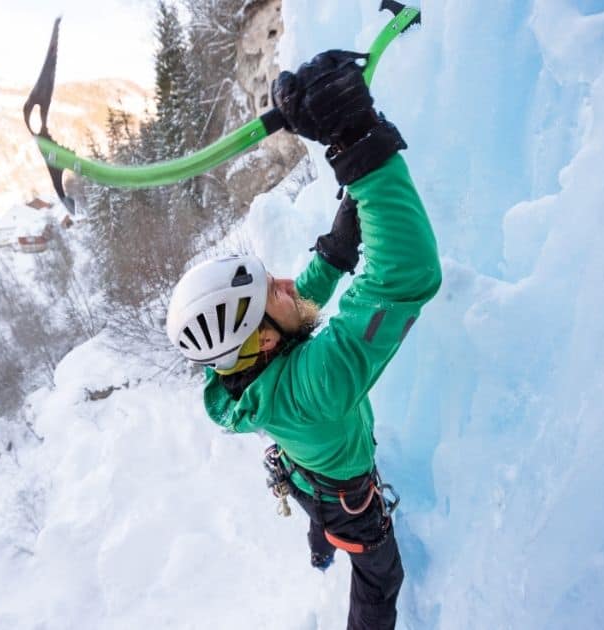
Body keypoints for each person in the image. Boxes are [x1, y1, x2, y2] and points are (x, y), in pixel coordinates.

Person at [165, 50, 441, 630]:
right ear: (264, 342)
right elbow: (403, 278)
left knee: (317, 505)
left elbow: (293, 314)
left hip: (305, 473)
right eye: (275, 290)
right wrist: (361, 147)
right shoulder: (316, 388)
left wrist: (333, 255)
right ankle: (334, 551)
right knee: (380, 578)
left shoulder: (240, 369)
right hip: (348, 500)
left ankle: (319, 548)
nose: (289, 283)